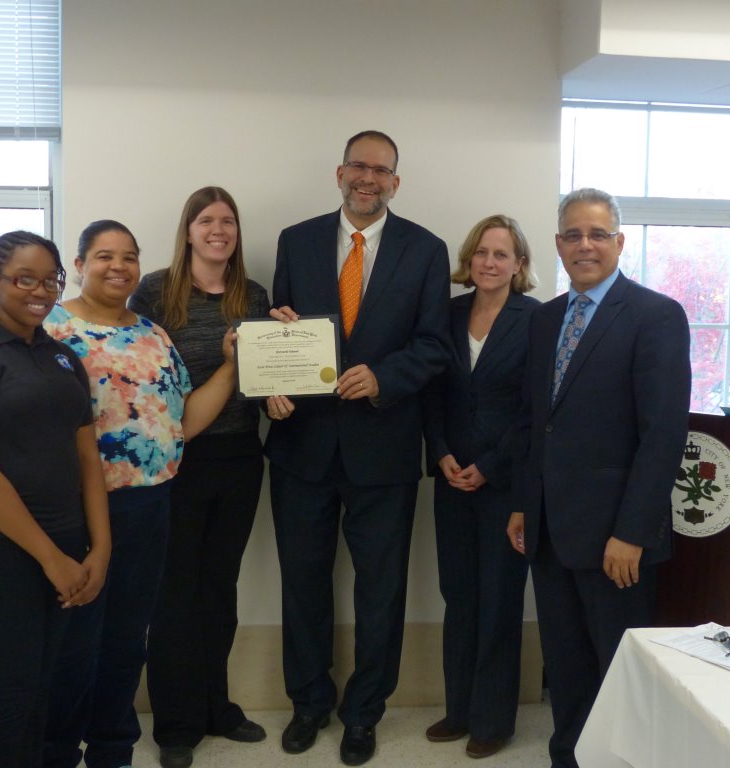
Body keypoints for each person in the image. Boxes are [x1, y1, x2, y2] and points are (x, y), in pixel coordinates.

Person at [265, 130, 451, 766]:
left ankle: (364, 712)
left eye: (382, 170)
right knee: (304, 584)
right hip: (302, 447)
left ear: (396, 181)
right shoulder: (296, 240)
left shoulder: (426, 250)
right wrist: (273, 387)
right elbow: (279, 330)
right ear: (339, 172)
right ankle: (309, 702)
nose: (368, 179)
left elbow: (435, 345)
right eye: (358, 167)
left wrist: (385, 378)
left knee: (381, 590)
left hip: (385, 447)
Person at [507, 188, 691, 768]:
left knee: (619, 669)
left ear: (619, 241)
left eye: (596, 234)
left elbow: (662, 435)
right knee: (565, 666)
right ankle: (571, 756)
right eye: (572, 235)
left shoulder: (655, 316)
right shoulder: (545, 319)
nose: (584, 245)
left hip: (617, 537)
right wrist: (522, 506)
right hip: (551, 531)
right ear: (558, 244)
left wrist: (632, 532)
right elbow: (537, 424)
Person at [42, 220, 237, 768]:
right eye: (104, 256)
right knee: (73, 642)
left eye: (129, 256)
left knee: (128, 639)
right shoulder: (49, 331)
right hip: (75, 510)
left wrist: (230, 365)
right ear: (79, 265)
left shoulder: (153, 335)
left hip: (149, 505)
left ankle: (112, 748)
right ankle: (54, 750)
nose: (118, 266)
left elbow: (183, 421)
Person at [0, 231, 111, 768]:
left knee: (44, 688)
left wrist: (98, 550)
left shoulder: (61, 358)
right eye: (23, 279)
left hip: (65, 543)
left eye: (50, 280)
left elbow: (87, 460)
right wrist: (52, 559)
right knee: (12, 694)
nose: (40, 291)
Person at [130, 187, 271, 768]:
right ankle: (176, 724)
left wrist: (277, 396)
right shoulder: (156, 292)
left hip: (240, 457)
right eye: (207, 220)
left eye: (229, 221)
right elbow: (138, 373)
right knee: (175, 595)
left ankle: (218, 705)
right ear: (187, 230)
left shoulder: (254, 294)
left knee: (220, 590)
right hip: (176, 462)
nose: (219, 230)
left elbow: (264, 373)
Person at [422, 215, 539, 760]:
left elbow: (533, 412)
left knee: (498, 601)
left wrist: (490, 466)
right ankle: (460, 709)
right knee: (459, 596)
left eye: (502, 254)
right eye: (482, 253)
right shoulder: (445, 314)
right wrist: (441, 453)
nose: (490, 262)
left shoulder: (536, 320)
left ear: (519, 266)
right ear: (469, 260)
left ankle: (493, 720)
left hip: (505, 484)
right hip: (451, 479)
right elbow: (433, 395)